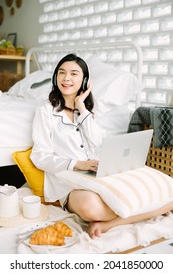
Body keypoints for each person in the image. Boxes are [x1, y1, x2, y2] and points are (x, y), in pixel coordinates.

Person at [31, 53, 173, 239]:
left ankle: (113, 223)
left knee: (163, 190)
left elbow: (98, 142)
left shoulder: (88, 110)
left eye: (74, 74)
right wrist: (77, 164)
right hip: (66, 180)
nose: (66, 78)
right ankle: (139, 213)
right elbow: (40, 156)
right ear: (55, 77)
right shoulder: (45, 110)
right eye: (62, 73)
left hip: (98, 172)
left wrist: (81, 106)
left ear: (84, 81)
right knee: (91, 207)